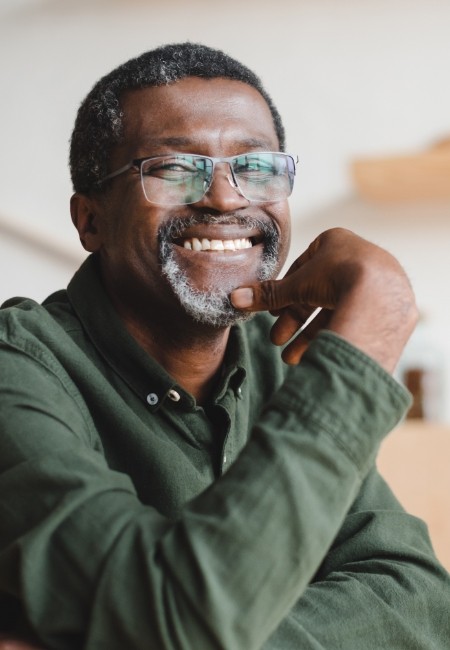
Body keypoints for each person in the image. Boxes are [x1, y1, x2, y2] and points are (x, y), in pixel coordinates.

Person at [0, 42, 448, 650]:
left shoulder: (278, 354)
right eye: (173, 169)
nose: (226, 198)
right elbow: (173, 618)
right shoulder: (18, 370)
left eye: (256, 167)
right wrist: (366, 339)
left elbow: (418, 598)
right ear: (90, 221)